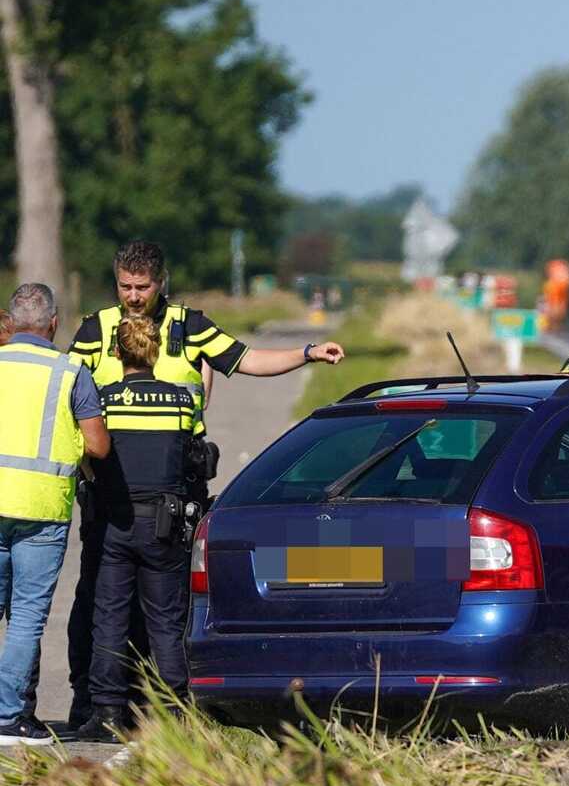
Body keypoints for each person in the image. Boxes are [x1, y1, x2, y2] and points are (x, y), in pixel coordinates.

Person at [63, 240, 346, 726]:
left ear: (161, 282)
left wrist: (307, 353)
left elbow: (246, 359)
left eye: (143, 287)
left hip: (175, 485)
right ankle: (92, 700)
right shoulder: (96, 328)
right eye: (125, 287)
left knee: (160, 609)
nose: (133, 297)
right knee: (99, 602)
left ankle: (157, 707)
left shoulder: (189, 324)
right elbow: (67, 392)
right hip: (108, 491)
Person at [70, 316, 201, 741]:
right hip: (165, 523)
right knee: (166, 618)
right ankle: (173, 711)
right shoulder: (182, 402)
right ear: (157, 350)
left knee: (109, 615)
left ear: (115, 352)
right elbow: (196, 455)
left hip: (113, 521)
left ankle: (107, 710)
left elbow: (88, 454)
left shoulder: (105, 400)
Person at [0, 284, 110, 746]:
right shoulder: (70, 371)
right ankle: (8, 717)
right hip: (43, 509)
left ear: (10, 321)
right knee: (26, 616)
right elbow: (99, 445)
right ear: (53, 323)